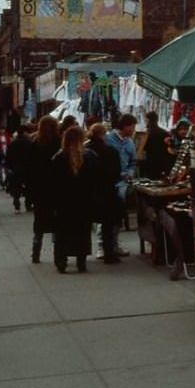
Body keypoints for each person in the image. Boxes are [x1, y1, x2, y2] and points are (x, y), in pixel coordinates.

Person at [50, 126, 95, 273]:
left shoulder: (59, 157)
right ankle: (81, 262)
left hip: (64, 201)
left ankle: (61, 261)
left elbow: (53, 182)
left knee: (62, 233)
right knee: (82, 232)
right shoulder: (89, 157)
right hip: (84, 201)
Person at [85, 123, 123, 264]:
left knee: (85, 223)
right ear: (103, 134)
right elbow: (116, 173)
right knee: (108, 224)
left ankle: (83, 252)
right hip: (107, 191)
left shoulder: (85, 150)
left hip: (89, 192)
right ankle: (109, 252)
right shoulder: (110, 151)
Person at [26, 115, 60, 264]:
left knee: (39, 223)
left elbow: (30, 168)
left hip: (39, 189)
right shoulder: (59, 143)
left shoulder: (35, 144)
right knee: (56, 223)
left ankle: (36, 252)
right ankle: (57, 252)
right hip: (55, 188)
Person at [104, 113, 137, 258]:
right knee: (107, 215)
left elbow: (132, 162)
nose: (134, 129)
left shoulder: (130, 142)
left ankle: (115, 244)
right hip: (111, 182)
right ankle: (103, 246)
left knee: (118, 215)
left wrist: (130, 172)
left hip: (124, 182)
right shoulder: (109, 139)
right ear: (125, 126)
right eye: (132, 126)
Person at [5, 124, 33, 213]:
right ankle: (28, 204)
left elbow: (8, 156)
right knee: (28, 187)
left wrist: (9, 167)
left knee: (16, 188)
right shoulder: (29, 143)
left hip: (15, 169)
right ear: (25, 132)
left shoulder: (13, 143)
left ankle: (17, 205)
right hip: (28, 168)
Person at [142, 112, 170, 179]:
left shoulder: (148, 133)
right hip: (162, 163)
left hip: (151, 162)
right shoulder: (164, 133)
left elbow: (145, 148)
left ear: (149, 120)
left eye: (146, 120)